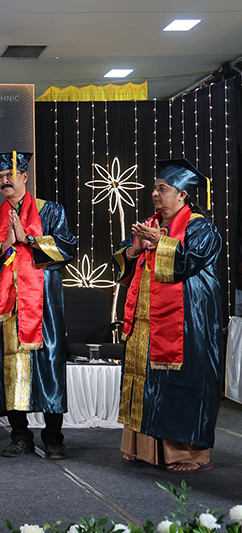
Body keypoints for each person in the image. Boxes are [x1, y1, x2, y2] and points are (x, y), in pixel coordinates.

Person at [114, 158, 222, 472]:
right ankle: (145, 449)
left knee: (181, 383)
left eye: (162, 189)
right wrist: (134, 249)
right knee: (147, 381)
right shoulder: (149, 224)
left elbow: (188, 263)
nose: (155, 194)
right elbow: (124, 260)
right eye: (154, 188)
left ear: (182, 195)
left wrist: (160, 242)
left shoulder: (200, 227)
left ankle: (188, 454)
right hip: (146, 321)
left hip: (186, 322)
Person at [0, 151, 76, 459]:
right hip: (6, 307)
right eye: (0, 176)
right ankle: (20, 436)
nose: (5, 180)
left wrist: (28, 238)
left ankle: (53, 438)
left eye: (10, 175)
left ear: (24, 177)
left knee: (49, 367)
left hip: (43, 306)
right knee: (9, 368)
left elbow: (67, 247)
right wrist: (5, 244)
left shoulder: (50, 211)